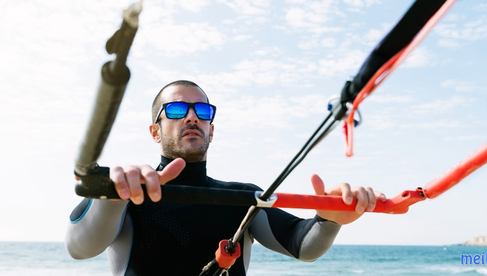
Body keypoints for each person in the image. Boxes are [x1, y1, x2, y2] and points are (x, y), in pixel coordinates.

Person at [66, 80, 384, 275]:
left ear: (211, 130)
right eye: (176, 110)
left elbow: (302, 245)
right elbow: (79, 247)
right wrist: (113, 195)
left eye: (202, 112)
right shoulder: (126, 191)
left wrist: (329, 221)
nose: (192, 117)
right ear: (155, 131)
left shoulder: (243, 198)